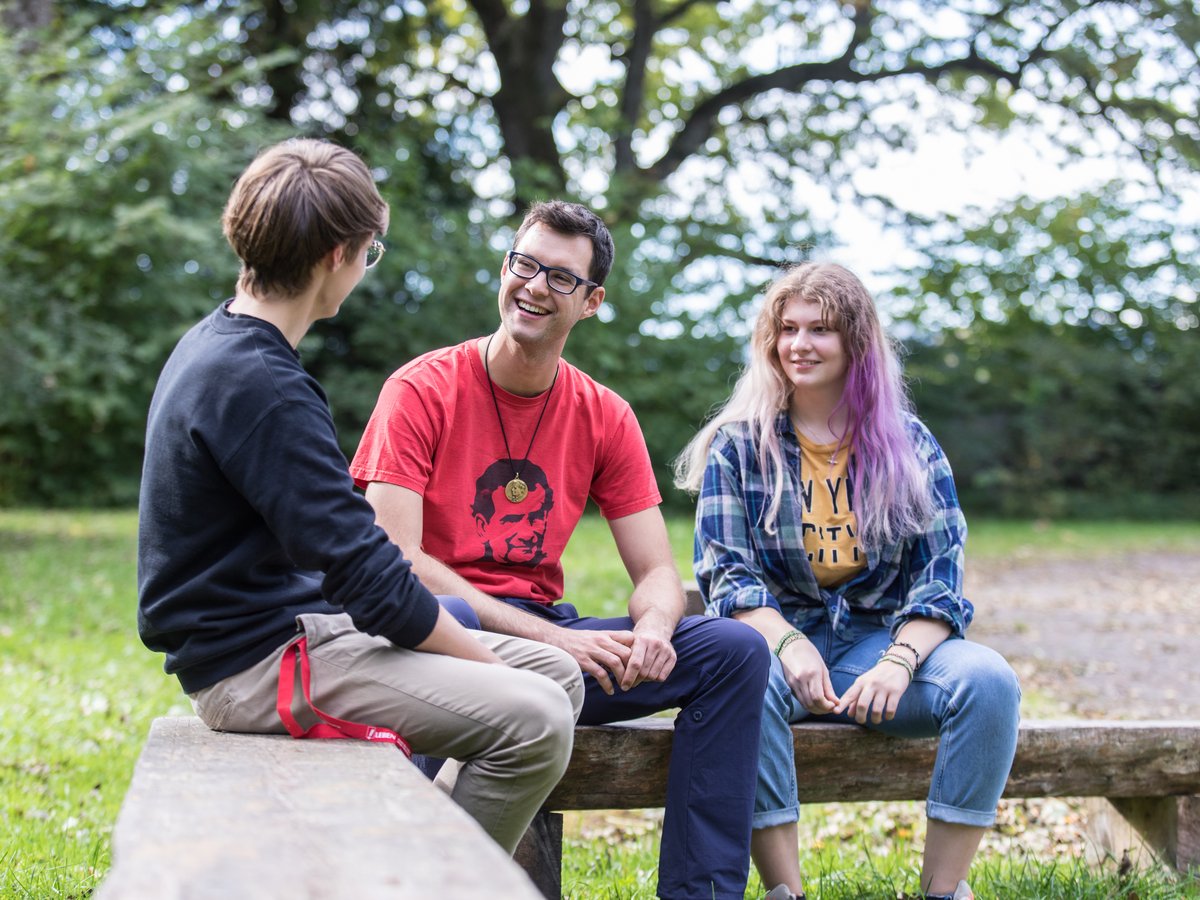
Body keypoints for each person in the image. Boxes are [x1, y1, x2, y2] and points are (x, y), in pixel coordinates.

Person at [136, 138, 585, 856]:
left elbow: (344, 557)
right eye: (369, 251)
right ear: (334, 257)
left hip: (297, 631)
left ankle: (425, 835)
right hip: (256, 667)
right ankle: (431, 877)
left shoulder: (222, 344)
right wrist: (490, 668)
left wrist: (486, 661)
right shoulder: (261, 386)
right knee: (537, 716)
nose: (364, 268)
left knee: (557, 673)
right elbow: (372, 580)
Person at [350, 200, 771, 900]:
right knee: (464, 621)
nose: (535, 286)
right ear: (505, 268)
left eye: (561, 278)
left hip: (551, 644)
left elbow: (656, 572)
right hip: (435, 635)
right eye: (525, 264)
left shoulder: (604, 414)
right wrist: (550, 640)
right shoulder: (420, 389)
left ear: (592, 302)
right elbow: (398, 560)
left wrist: (657, 630)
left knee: (734, 652)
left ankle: (702, 894)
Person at [675, 263, 1021, 900]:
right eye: (788, 329)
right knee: (740, 692)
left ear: (856, 342)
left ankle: (943, 891)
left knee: (990, 682)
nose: (799, 344)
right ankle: (786, 891)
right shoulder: (739, 447)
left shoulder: (909, 446)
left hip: (878, 647)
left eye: (821, 329)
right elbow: (727, 572)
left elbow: (939, 576)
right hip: (773, 649)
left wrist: (898, 662)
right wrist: (786, 644)